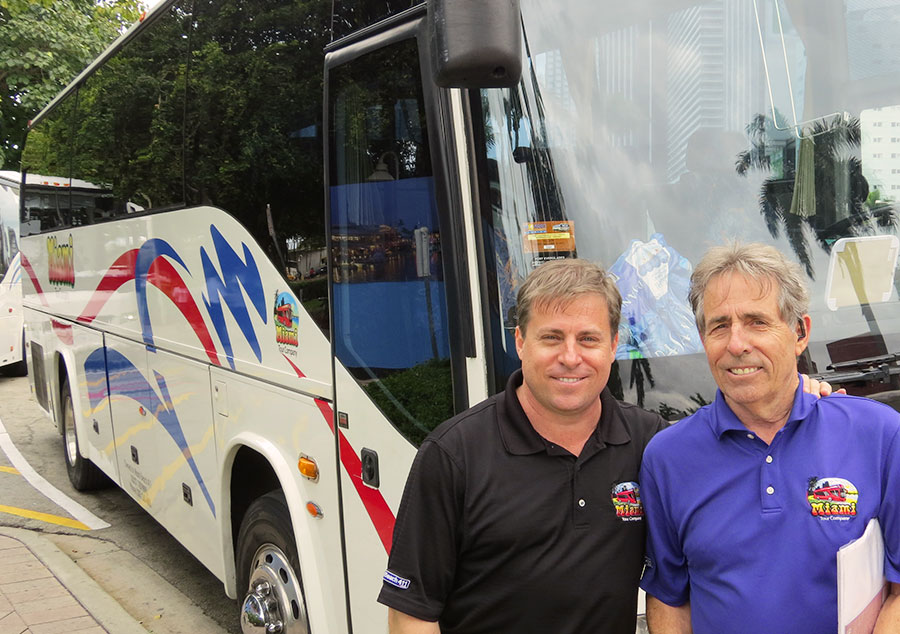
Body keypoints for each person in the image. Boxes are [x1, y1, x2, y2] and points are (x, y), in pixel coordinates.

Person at [377, 257, 835, 633]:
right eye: (551, 337)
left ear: (614, 345)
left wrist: (797, 394)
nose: (570, 357)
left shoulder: (651, 444)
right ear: (519, 341)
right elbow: (411, 614)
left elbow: (738, 438)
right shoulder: (453, 455)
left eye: (589, 339)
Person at [639, 242, 900, 633]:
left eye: (757, 322)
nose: (737, 344)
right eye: (719, 325)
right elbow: (669, 598)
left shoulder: (879, 434)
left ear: (799, 333)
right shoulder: (667, 457)